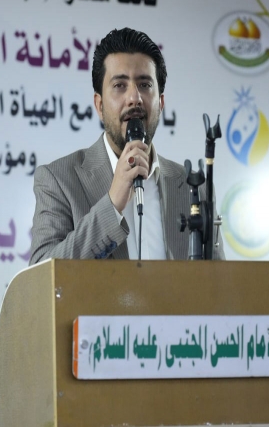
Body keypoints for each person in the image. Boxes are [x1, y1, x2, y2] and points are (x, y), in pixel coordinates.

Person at [29, 27, 224, 264]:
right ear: (99, 105)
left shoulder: (194, 187)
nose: (134, 98)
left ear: (161, 103)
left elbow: (218, 281)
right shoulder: (59, 180)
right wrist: (112, 204)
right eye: (120, 85)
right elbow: (42, 273)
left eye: (145, 85)